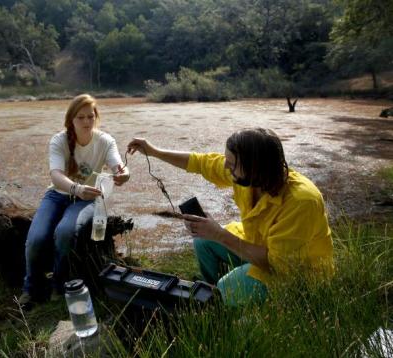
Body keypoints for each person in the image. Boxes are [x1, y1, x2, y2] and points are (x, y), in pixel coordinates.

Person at [127, 128, 334, 306]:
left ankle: (222, 299)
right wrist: (153, 151)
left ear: (256, 167)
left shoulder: (301, 201)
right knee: (202, 240)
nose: (226, 168)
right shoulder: (247, 173)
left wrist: (219, 234)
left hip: (297, 274)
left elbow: (276, 264)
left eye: (232, 163)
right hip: (257, 244)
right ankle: (213, 295)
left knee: (227, 285)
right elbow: (198, 162)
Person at [20, 94, 129, 308]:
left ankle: (58, 286)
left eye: (91, 116)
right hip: (57, 195)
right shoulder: (59, 140)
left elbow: (119, 166)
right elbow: (56, 175)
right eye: (81, 117)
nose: (87, 122)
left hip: (88, 199)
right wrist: (76, 188)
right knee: (35, 238)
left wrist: (124, 174)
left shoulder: (105, 141)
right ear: (71, 120)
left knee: (65, 232)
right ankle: (31, 287)